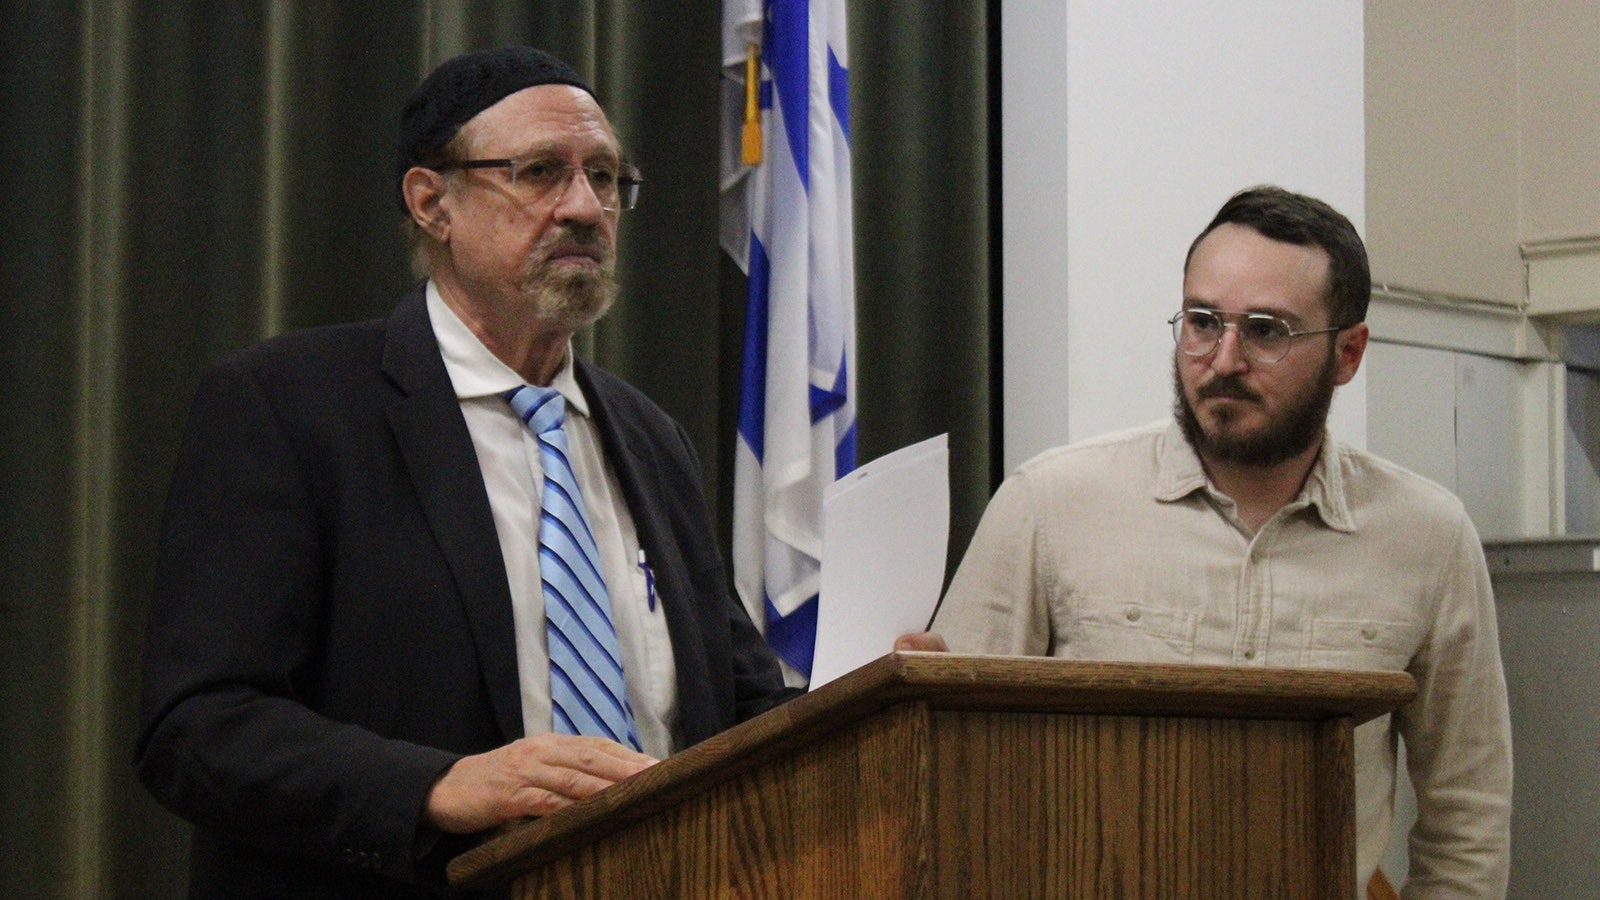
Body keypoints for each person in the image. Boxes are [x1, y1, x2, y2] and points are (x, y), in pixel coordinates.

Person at [136, 46, 796, 898]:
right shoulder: (290, 407)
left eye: (605, 177)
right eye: (540, 172)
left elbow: (736, 709)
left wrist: (876, 698)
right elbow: (197, 729)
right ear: (431, 202)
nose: (585, 208)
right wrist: (438, 787)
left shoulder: (649, 437)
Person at [900, 186, 1512, 897]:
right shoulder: (1051, 505)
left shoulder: (1427, 538)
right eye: (1202, 321)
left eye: (1266, 330)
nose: (1223, 360)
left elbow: (1467, 818)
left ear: (1348, 353)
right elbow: (949, 770)